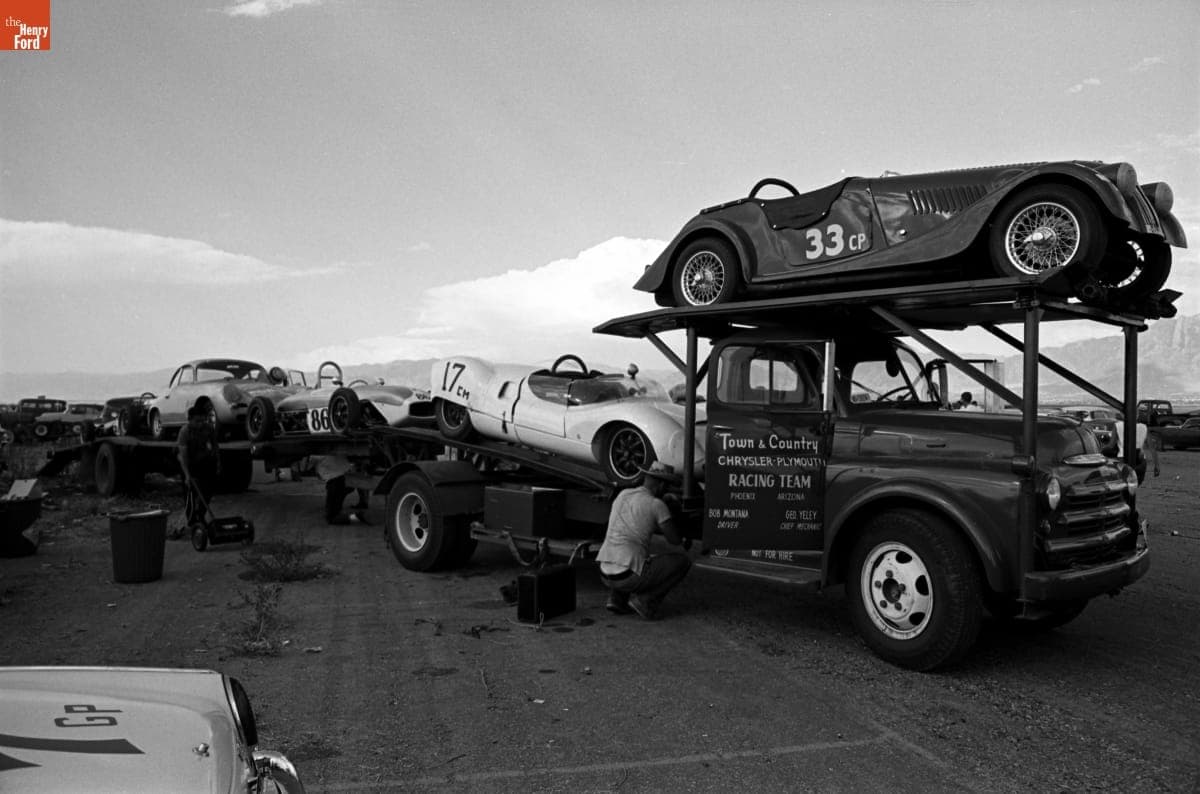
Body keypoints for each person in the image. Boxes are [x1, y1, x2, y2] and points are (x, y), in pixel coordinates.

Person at [595, 461, 691, 620]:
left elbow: (639, 522)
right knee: (682, 562)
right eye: (667, 486)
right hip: (627, 576)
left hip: (604, 571)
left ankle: (616, 600)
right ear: (661, 485)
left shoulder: (623, 494)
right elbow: (674, 540)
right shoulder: (656, 505)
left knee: (632, 554)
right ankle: (646, 602)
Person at [177, 403, 221, 535]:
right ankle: (192, 522)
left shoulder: (208, 429)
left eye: (203, 420)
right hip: (189, 465)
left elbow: (215, 446)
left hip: (205, 464)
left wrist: (218, 463)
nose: (201, 424)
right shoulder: (185, 432)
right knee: (190, 494)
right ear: (190, 420)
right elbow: (183, 455)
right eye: (197, 421)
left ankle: (200, 516)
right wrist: (187, 476)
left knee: (207, 491)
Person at [312, 454, 371, 525]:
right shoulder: (336, 452)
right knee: (335, 507)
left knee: (331, 518)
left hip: (335, 482)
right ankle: (337, 512)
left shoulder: (316, 456)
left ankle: (356, 517)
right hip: (346, 480)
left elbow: (306, 463)